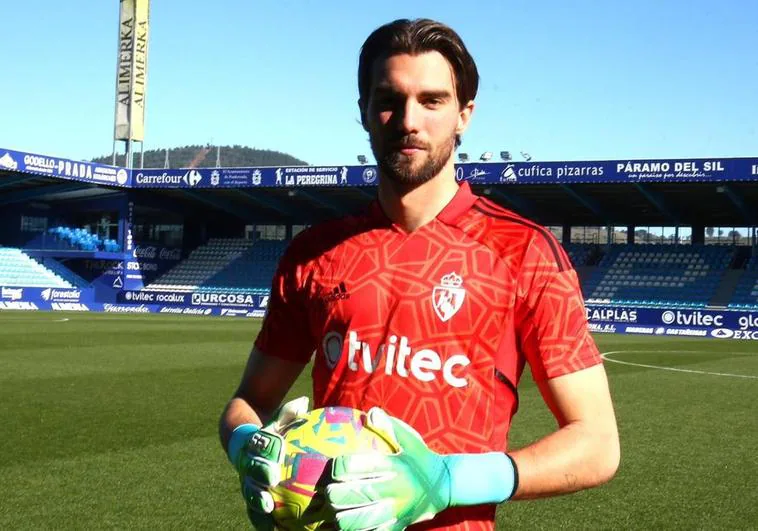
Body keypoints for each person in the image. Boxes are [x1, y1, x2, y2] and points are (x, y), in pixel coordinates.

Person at [219, 18, 620, 531]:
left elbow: (597, 443)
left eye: (432, 101)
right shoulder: (312, 254)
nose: (409, 120)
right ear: (364, 111)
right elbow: (249, 400)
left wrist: (447, 481)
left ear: (464, 115)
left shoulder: (524, 252)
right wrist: (246, 445)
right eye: (389, 98)